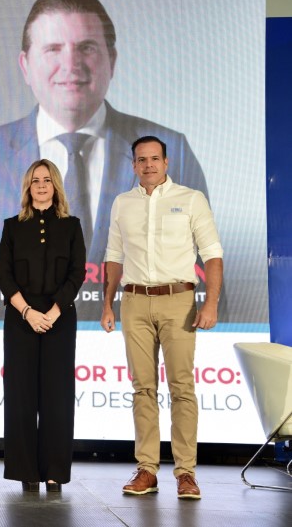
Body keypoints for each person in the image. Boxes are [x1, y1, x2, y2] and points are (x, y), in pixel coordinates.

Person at [0, 0, 207, 277]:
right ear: (25, 66)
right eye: (53, 49)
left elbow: (201, 277)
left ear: (111, 60)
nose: (71, 65)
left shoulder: (173, 151)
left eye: (86, 48)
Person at [101, 135, 223, 500]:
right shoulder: (122, 203)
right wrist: (107, 304)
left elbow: (212, 254)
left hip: (179, 301)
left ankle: (186, 473)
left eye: (155, 158)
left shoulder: (191, 199)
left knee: (182, 387)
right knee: (142, 388)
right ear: (133, 165)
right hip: (134, 302)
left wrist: (211, 304)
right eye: (142, 160)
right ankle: (147, 469)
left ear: (166, 163)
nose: (149, 165)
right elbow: (113, 257)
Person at [0, 159, 86, 493]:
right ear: (28, 187)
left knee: (57, 396)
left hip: (59, 319)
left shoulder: (71, 225)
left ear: (55, 185)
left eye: (47, 180)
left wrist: (55, 310)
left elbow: (77, 272)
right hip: (21, 319)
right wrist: (28, 312)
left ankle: (55, 471)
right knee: (20, 396)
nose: (42, 185)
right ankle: (26, 470)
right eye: (35, 180)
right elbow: (4, 275)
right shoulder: (12, 226)